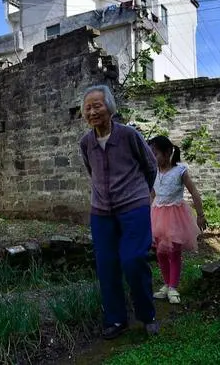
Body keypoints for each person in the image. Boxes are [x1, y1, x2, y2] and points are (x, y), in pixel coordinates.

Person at [79, 84, 160, 340]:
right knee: (106, 266)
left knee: (133, 260)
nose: (92, 112)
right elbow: (92, 172)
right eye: (88, 107)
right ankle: (116, 320)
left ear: (110, 108)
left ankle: (147, 315)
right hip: (101, 212)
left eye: (97, 105)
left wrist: (141, 194)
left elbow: (150, 166)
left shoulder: (128, 135)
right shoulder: (86, 143)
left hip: (134, 206)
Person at [148, 135, 208, 304]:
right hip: (157, 216)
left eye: (155, 154)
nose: (153, 158)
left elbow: (194, 192)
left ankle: (173, 286)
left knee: (174, 252)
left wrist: (200, 215)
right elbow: (152, 195)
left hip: (176, 217)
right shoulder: (154, 172)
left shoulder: (179, 171)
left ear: (167, 152)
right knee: (160, 252)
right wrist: (149, 214)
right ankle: (166, 284)